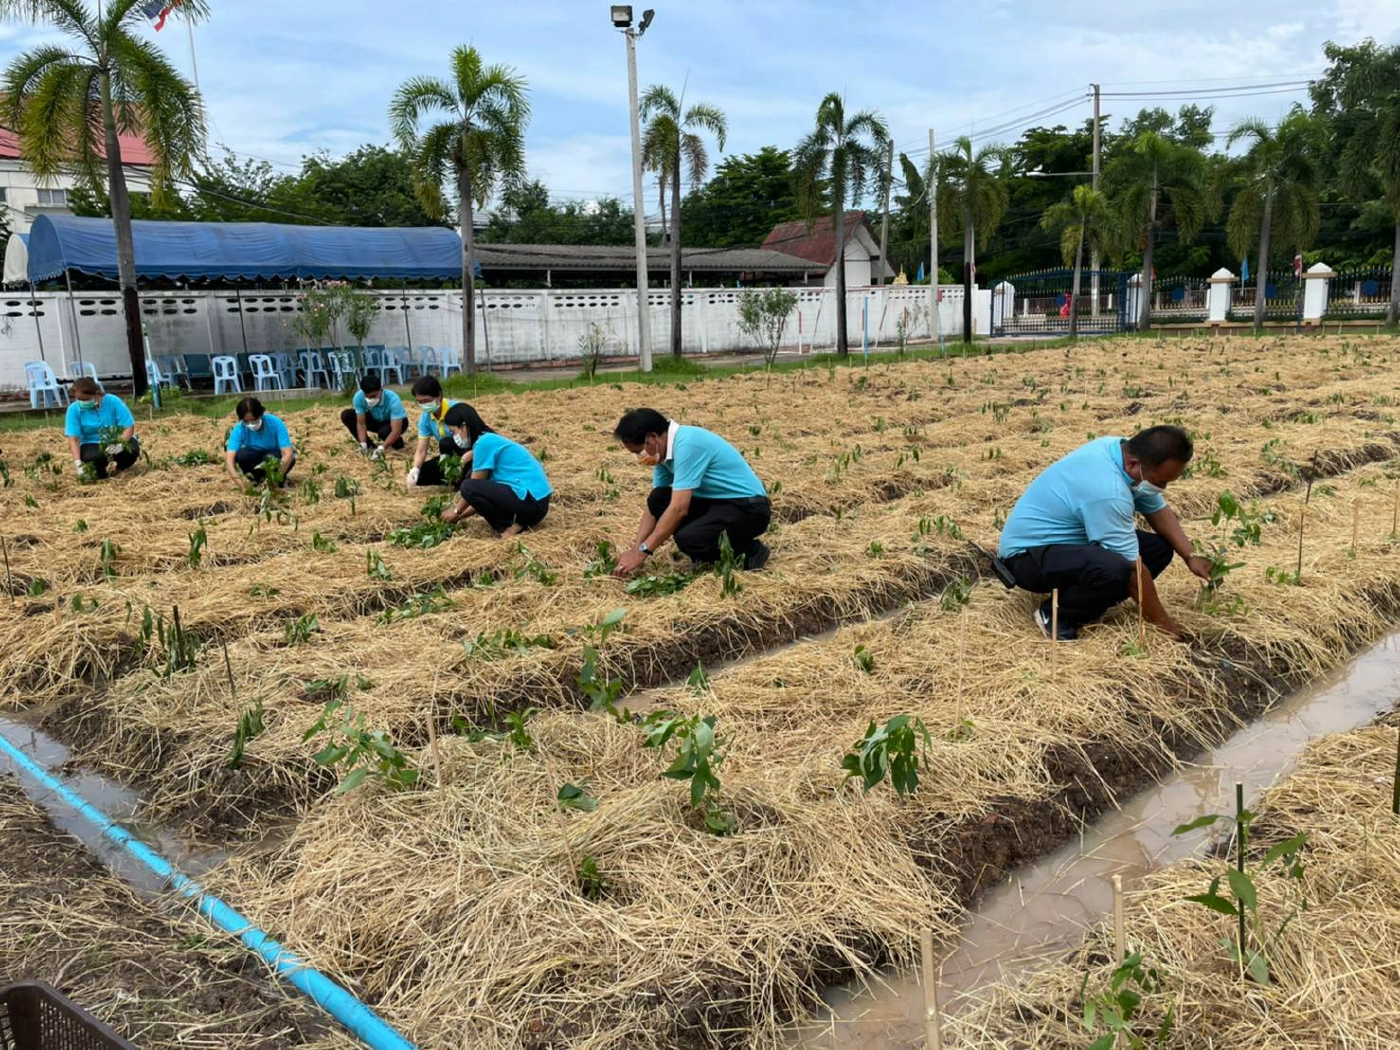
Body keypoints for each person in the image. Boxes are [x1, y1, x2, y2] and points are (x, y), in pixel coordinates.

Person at [997, 426, 1212, 641]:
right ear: (1133, 464)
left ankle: (1086, 601)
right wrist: (1168, 629)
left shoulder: (1121, 450)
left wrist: (1190, 556)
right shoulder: (1108, 490)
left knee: (1159, 549)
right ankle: (1057, 614)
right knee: (1115, 569)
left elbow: (1157, 510)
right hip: (1026, 557)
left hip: (1068, 545)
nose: (1162, 488)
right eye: (1160, 482)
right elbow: (1134, 571)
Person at [611, 407, 771, 577]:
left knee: (689, 539)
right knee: (658, 498)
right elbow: (654, 506)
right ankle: (708, 546)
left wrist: (643, 552)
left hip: (748, 508)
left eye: (638, 451)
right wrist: (636, 548)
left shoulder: (688, 444)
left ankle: (750, 552)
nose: (639, 457)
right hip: (717, 503)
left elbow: (679, 509)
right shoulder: (664, 454)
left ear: (652, 437)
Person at [438, 403, 552, 536]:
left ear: (464, 427)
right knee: (470, 480)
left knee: (468, 485)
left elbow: (472, 490)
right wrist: (459, 516)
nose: (453, 437)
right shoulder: (488, 439)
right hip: (537, 504)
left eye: (453, 432)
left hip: (531, 502)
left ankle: (507, 526)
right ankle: (519, 523)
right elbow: (478, 499)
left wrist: (456, 511)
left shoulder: (484, 443)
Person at [63, 377, 139, 480]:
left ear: (96, 394)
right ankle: (100, 474)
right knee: (93, 457)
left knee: (132, 449)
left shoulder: (113, 401)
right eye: (79, 399)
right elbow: (74, 439)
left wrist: (120, 443)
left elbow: (128, 426)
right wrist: (78, 463)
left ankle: (121, 469)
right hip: (91, 442)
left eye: (85, 399)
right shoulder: (73, 409)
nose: (82, 402)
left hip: (115, 438)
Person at [405, 376, 468, 487]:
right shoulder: (426, 418)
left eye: (426, 401)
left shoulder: (457, 409)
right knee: (421, 475)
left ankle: (460, 477)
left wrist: (462, 462)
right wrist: (415, 468)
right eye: (419, 402)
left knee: (445, 443)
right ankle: (452, 477)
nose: (424, 405)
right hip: (448, 458)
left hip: (468, 453)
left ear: (439, 396)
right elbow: (421, 450)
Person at [225, 397, 296, 486]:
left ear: (261, 414)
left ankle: (278, 480)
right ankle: (257, 480)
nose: (250, 424)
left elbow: (288, 454)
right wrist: (242, 487)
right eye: (246, 421)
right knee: (243, 455)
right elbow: (229, 461)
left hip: (274, 457)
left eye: (254, 420)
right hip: (254, 460)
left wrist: (275, 479)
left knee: (270, 458)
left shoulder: (275, 423)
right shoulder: (239, 429)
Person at [341, 374, 408, 456]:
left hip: (395, 422)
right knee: (347, 415)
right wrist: (363, 443)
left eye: (373, 396)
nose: (370, 399)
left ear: (381, 389)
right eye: (367, 396)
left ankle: (397, 443)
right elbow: (361, 423)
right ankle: (369, 446)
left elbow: (396, 430)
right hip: (375, 419)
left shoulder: (393, 399)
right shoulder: (358, 397)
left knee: (384, 432)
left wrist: (382, 448)